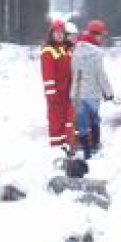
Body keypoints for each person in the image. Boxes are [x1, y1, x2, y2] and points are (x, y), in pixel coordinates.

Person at [70, 19, 115, 160]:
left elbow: (73, 70)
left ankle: (86, 152)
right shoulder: (97, 53)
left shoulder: (76, 48)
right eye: (101, 35)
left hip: (77, 93)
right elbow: (100, 75)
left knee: (82, 123)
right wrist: (109, 93)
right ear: (96, 35)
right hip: (92, 94)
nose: (102, 38)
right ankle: (95, 146)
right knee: (94, 120)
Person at [40, 19, 74, 149]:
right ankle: (56, 148)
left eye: (62, 32)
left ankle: (68, 145)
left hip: (69, 93)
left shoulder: (67, 49)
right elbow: (47, 75)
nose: (59, 35)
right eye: (56, 32)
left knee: (69, 120)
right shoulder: (48, 51)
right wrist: (51, 95)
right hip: (56, 94)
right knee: (56, 122)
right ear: (51, 34)